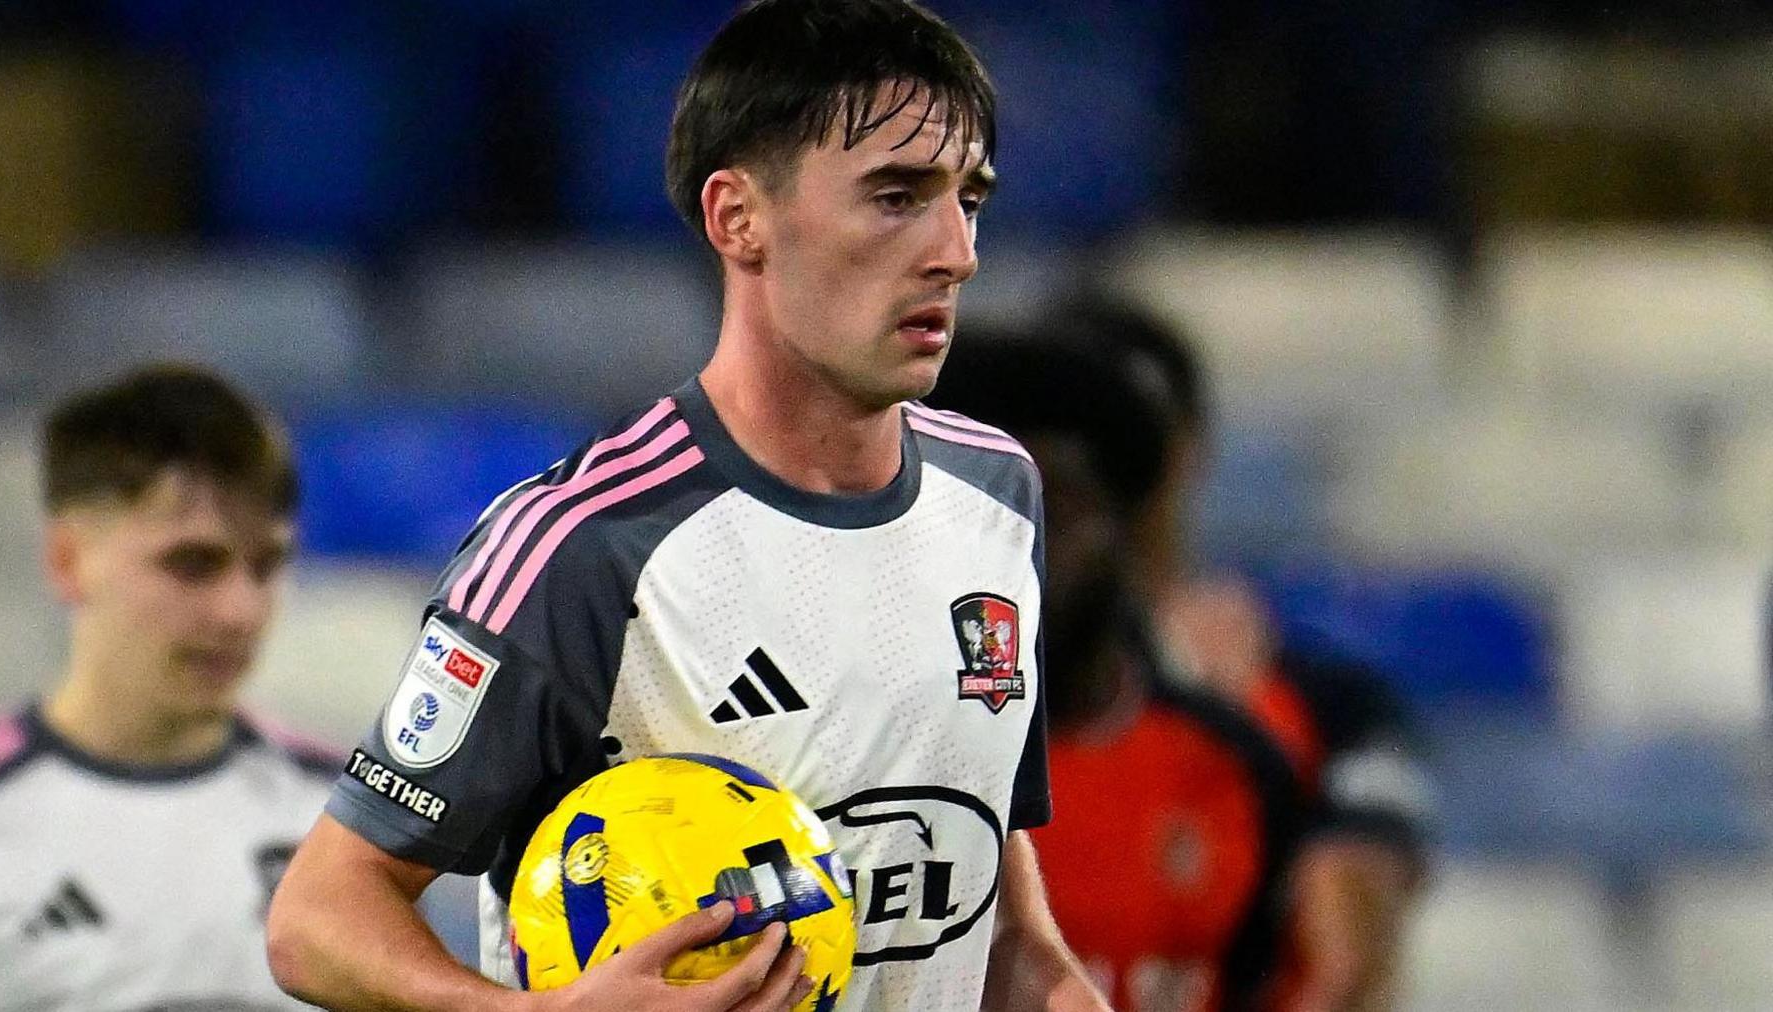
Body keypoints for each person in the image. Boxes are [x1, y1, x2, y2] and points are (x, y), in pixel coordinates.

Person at [266, 2, 1107, 1010]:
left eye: (968, 198)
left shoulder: (999, 496)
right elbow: (318, 915)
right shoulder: (584, 546)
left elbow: (1000, 922)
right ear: (736, 218)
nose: (956, 251)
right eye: (896, 196)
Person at [1054, 293, 1433, 1012]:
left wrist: (1225, 732)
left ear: (1187, 454)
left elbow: (1349, 967)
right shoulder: (934, 685)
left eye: (1124, 436)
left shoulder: (1321, 704)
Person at [930, 331, 1306, 1011]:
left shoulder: (1237, 769)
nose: (1023, 551)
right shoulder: (869, 760)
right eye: (990, 514)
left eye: (1059, 512)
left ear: (1129, 535)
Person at [0, 363, 330, 1010]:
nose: (240, 612)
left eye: (267, 565)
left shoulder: (343, 822)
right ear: (67, 560)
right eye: (193, 563)